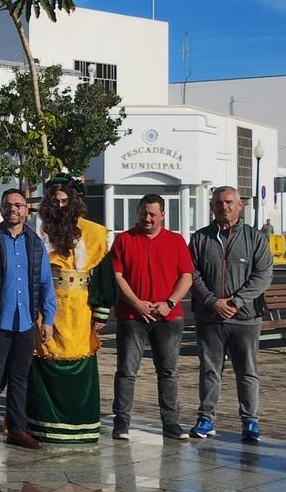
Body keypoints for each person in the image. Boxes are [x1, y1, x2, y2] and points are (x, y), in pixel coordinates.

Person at [27, 179, 115, 444]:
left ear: (75, 203)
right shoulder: (36, 231)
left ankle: (79, 425)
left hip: (80, 311)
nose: (60, 206)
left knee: (78, 360)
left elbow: (103, 276)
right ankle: (42, 424)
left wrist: (101, 311)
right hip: (46, 306)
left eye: (65, 201)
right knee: (44, 358)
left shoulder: (97, 234)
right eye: (55, 201)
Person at [0, 189, 56, 452]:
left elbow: (45, 283)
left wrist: (47, 319)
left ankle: (16, 429)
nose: (13, 209)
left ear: (26, 210)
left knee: (20, 378)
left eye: (18, 205)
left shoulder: (35, 243)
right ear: (1, 209)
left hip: (26, 321)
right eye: (8, 205)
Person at [189, 186, 274, 442]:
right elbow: (191, 273)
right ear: (212, 207)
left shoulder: (255, 238)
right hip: (210, 317)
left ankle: (250, 422)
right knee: (209, 370)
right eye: (218, 203)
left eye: (228, 202)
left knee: (247, 372)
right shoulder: (200, 238)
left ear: (240, 206)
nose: (223, 207)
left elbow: (263, 275)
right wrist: (212, 301)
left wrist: (236, 301)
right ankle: (206, 419)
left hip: (246, 318)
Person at [110, 193, 194, 441]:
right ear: (137, 212)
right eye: (143, 213)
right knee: (126, 371)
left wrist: (169, 303)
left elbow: (186, 276)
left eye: (152, 214)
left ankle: (171, 423)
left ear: (163, 215)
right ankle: (121, 422)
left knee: (168, 372)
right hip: (132, 316)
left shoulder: (176, 241)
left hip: (168, 318)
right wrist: (137, 304)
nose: (147, 218)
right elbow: (117, 276)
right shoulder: (123, 240)